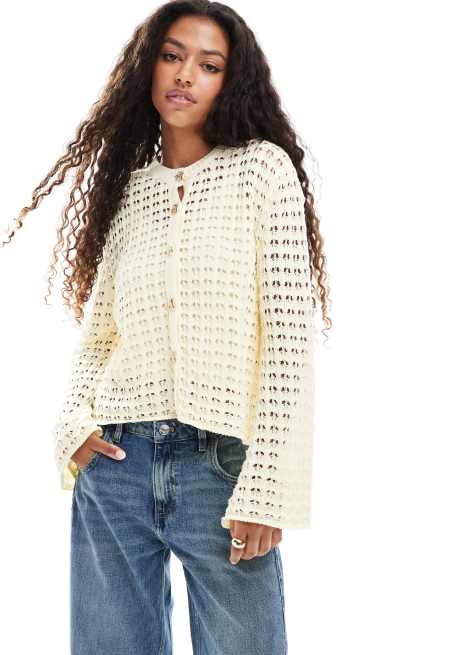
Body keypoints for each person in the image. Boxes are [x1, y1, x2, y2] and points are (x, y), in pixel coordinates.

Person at [3, 1, 331, 653]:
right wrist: (72, 426)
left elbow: (288, 345)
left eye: (208, 65)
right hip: (116, 462)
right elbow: (101, 335)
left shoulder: (262, 172)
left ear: (230, 82)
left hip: (223, 469)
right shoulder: (130, 189)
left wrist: (267, 486)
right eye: (172, 56)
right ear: (147, 67)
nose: (185, 75)